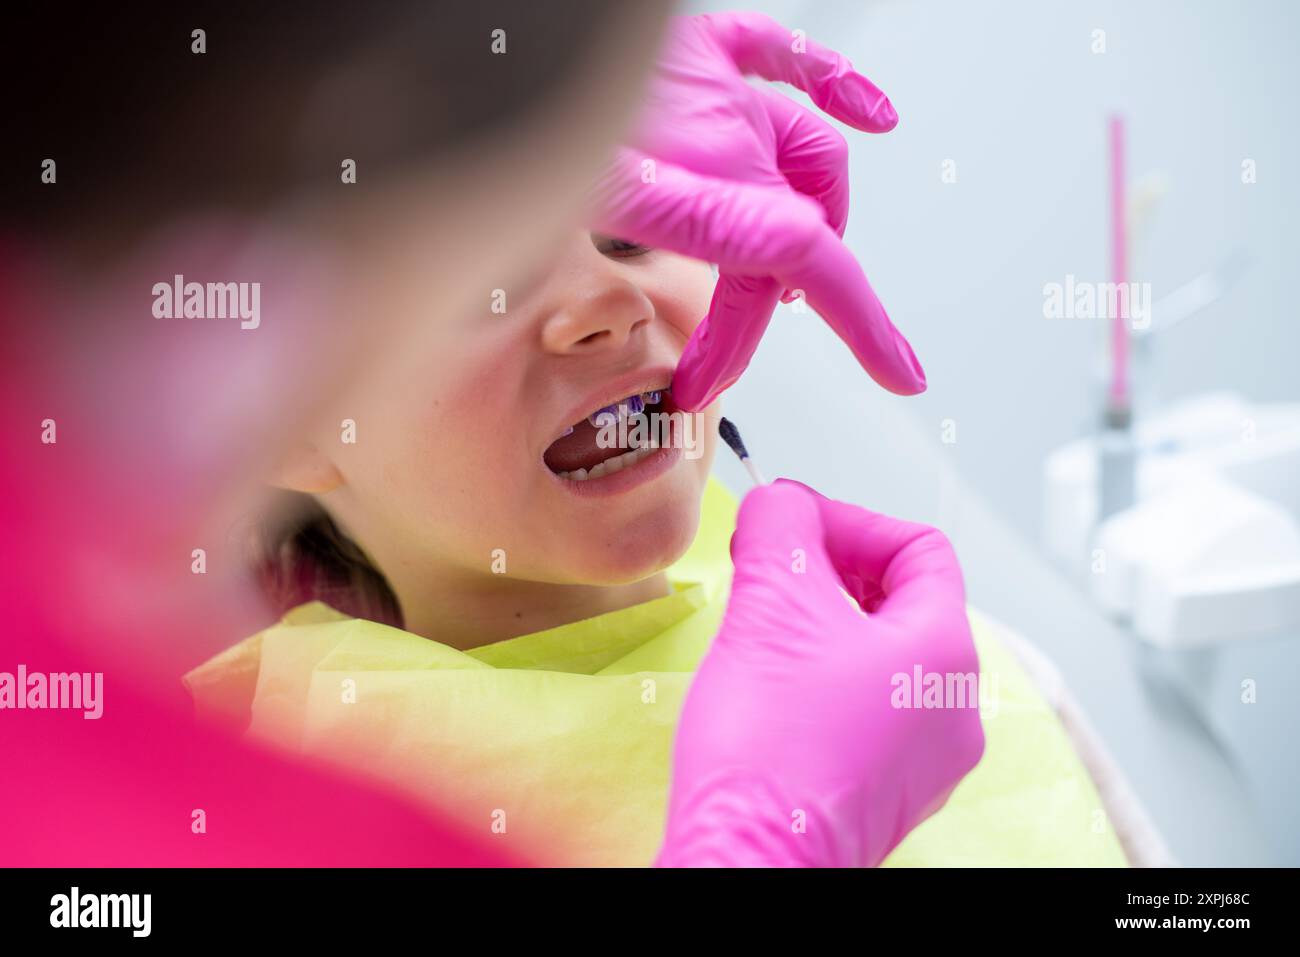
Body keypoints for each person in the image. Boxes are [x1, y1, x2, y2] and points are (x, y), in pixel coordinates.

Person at [2, 3, 981, 867]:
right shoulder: (210, 803)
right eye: (491, 282)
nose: (601, 303)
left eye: (630, 234)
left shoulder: (914, 660)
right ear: (284, 415)